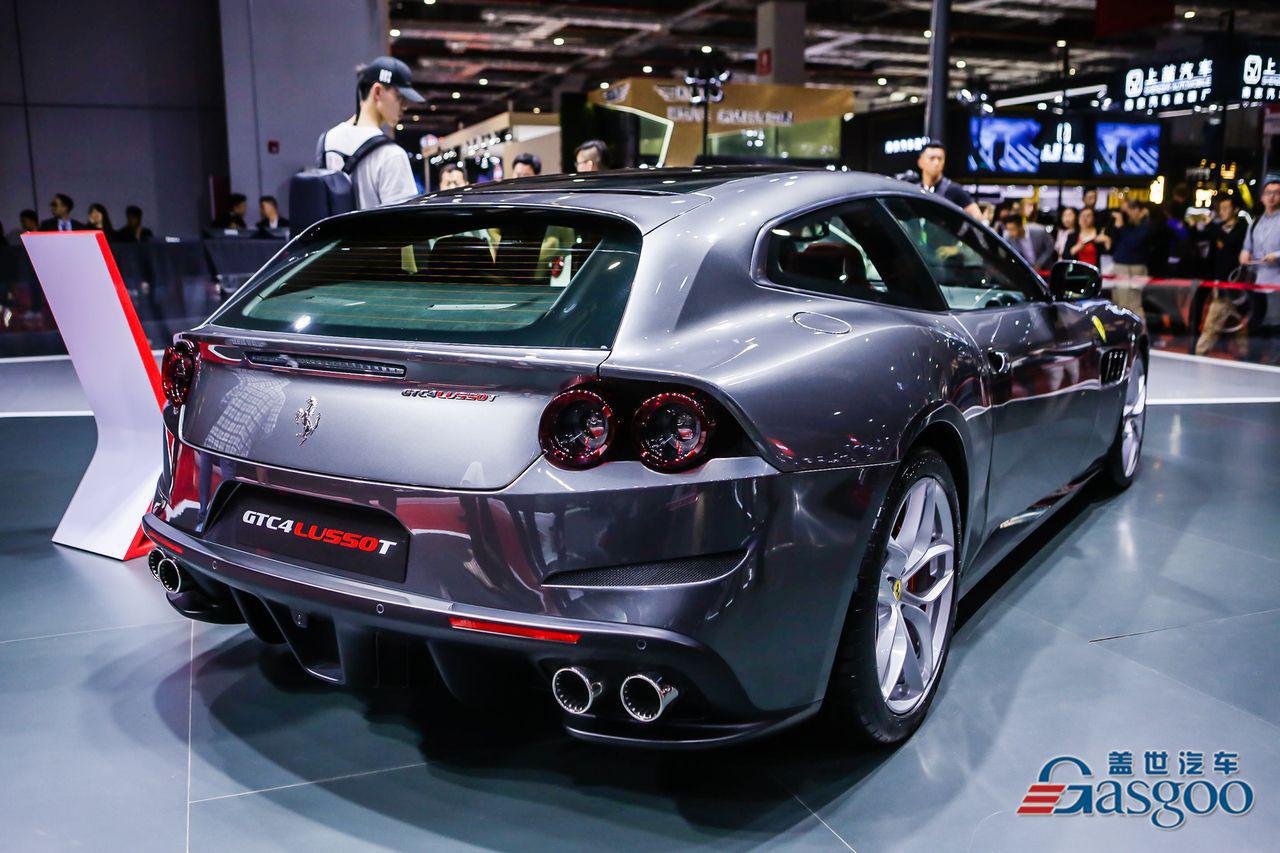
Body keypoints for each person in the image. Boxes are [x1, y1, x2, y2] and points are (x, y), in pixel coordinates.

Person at [320, 56, 423, 209]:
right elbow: (403, 220)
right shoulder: (391, 155)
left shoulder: (328, 140)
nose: (405, 106)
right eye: (400, 97)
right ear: (378, 92)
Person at [1194, 195, 1250, 355]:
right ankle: (1245, 354)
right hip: (1218, 282)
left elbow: (1230, 243)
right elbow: (1206, 247)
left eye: (1226, 208)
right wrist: (1198, 226)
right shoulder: (1217, 229)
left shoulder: (1242, 229)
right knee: (1237, 322)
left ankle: (1201, 353)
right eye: (1221, 208)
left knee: (1213, 323)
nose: (1222, 212)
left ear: (1235, 210)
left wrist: (1213, 226)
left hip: (1235, 283)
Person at [914, 141, 981, 219]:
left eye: (940, 159)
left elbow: (978, 219)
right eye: (932, 158)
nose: (936, 162)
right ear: (920, 162)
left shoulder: (954, 190)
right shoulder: (915, 189)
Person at [1109, 199, 1151, 314]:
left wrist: (1121, 227)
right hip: (1120, 265)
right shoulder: (1128, 223)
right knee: (1118, 303)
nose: (1126, 214)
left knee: (1133, 304)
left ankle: (1136, 325)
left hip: (1134, 268)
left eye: (1128, 210)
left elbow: (1133, 242)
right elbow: (1116, 242)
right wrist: (1118, 227)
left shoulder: (1145, 224)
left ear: (1137, 210)